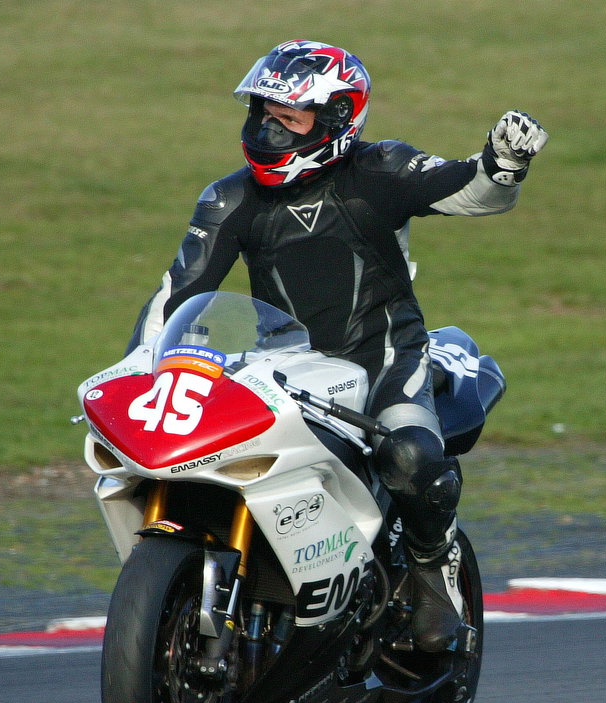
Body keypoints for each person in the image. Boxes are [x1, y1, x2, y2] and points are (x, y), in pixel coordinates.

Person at [128, 40, 548, 651]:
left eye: (288, 119)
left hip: (385, 361)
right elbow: (176, 295)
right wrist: (144, 372)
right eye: (263, 115)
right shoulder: (229, 199)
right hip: (283, 369)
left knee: (411, 455)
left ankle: (434, 568)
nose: (270, 131)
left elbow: (470, 189)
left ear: (335, 120)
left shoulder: (380, 173)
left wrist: (502, 164)